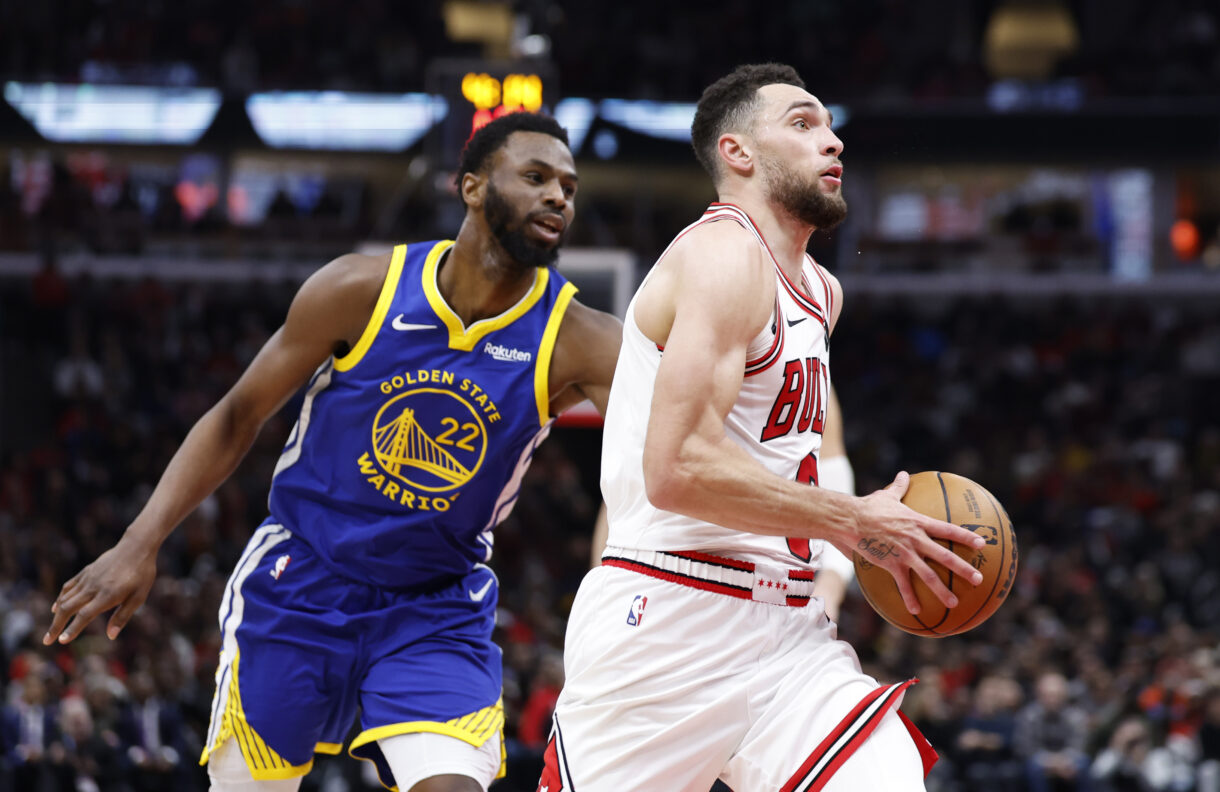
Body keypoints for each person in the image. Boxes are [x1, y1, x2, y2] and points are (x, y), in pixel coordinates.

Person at [43, 111, 622, 792]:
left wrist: (614, 596)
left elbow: (647, 477)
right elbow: (238, 415)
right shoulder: (361, 288)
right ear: (471, 187)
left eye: (570, 186)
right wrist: (139, 543)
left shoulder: (583, 339)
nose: (559, 196)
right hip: (300, 582)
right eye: (536, 177)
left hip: (435, 605)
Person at [540, 63, 986, 792]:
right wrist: (851, 520)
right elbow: (676, 468)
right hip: (670, 620)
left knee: (886, 777)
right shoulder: (721, 255)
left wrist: (843, 548)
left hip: (787, 632)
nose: (833, 143)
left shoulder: (820, 291)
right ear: (737, 153)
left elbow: (796, 456)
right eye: (804, 124)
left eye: (832, 127)